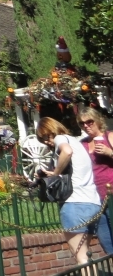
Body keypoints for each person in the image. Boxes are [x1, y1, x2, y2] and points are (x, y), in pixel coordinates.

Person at [37, 116, 102, 264]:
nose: (47, 141)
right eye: (43, 140)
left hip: (74, 204)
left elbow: (67, 152)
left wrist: (55, 174)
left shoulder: (61, 138)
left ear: (53, 130)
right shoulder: (77, 142)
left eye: (47, 136)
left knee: (81, 258)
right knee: (87, 255)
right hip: (92, 203)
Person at [78, 107, 113, 255]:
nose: (86, 125)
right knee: (107, 242)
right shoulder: (82, 144)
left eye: (89, 122)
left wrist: (109, 152)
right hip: (95, 199)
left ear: (98, 120)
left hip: (111, 194)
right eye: (82, 123)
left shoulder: (109, 136)